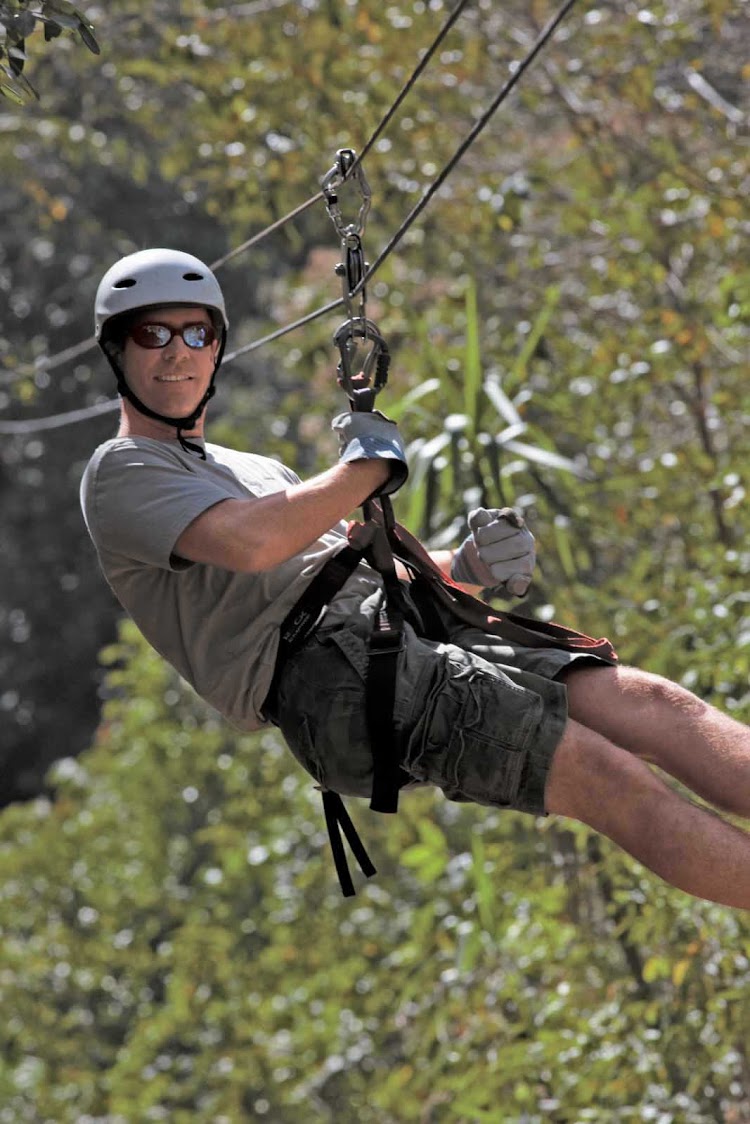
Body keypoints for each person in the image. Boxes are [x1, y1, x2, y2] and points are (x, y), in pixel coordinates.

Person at [81, 248, 750, 909]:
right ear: (117, 351)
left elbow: (345, 571)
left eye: (197, 333)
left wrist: (463, 568)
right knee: (606, 777)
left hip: (387, 632)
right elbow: (254, 544)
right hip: (328, 676)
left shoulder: (253, 470)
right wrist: (367, 467)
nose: (178, 353)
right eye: (153, 334)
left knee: (653, 705)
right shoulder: (122, 471)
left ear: (217, 347)